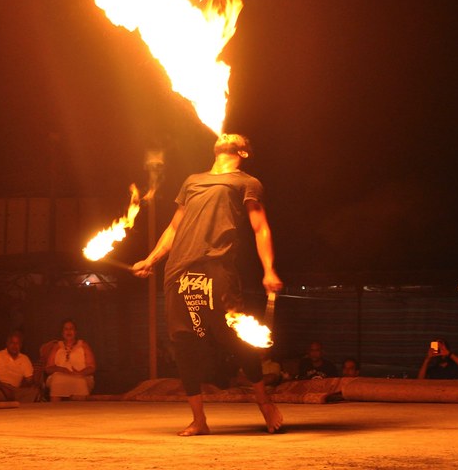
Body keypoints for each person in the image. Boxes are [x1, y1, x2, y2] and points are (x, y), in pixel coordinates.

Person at [132, 133, 284, 435]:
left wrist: (269, 269)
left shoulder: (247, 183)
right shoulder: (192, 181)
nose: (225, 134)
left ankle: (264, 403)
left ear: (242, 151)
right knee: (183, 343)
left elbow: (260, 227)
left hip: (217, 268)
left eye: (235, 137)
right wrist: (151, 259)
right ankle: (199, 419)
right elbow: (175, 227)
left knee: (236, 337)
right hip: (179, 271)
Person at [44, 319, 95, 402]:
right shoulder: (57, 346)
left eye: (71, 329)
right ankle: (54, 411)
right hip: (59, 376)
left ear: (75, 332)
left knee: (80, 381)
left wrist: (80, 373)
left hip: (81, 376)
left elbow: (92, 367)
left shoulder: (84, 345)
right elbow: (48, 368)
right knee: (57, 380)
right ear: (62, 332)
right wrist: (62, 369)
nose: (69, 331)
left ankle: (82, 412)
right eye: (66, 329)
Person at [0, 331, 38, 403]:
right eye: (12, 343)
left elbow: (30, 379)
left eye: (17, 343)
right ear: (7, 344)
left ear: (20, 345)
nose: (14, 346)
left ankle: (15, 403)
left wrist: (35, 382)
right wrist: (4, 389)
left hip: (14, 391)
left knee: (34, 391)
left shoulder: (24, 359)